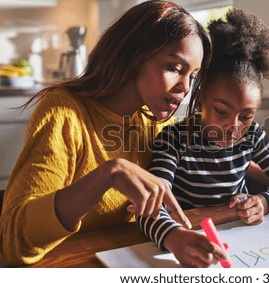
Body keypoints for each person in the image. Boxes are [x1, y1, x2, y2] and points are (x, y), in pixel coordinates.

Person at [0, 0, 214, 266]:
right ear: (134, 56)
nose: (185, 87)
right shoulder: (64, 110)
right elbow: (14, 244)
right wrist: (108, 174)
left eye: (192, 76)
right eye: (174, 68)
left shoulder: (152, 123)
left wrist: (173, 236)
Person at [137, 8, 269, 268]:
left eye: (247, 115)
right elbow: (150, 207)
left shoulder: (252, 136)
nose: (233, 126)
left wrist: (264, 202)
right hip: (189, 242)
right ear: (202, 97)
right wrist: (173, 236)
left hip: (242, 244)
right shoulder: (173, 139)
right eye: (221, 111)